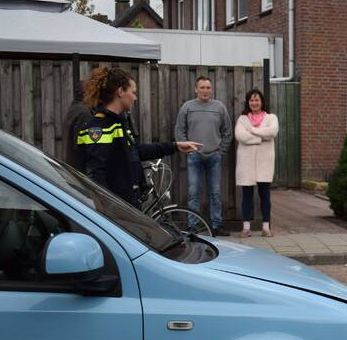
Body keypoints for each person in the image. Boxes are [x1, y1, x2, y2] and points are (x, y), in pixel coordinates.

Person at [77, 67, 201, 206]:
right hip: (116, 211)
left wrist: (175, 146)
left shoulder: (118, 122)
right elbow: (95, 173)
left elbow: (136, 151)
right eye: (133, 92)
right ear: (120, 91)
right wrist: (106, 210)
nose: (135, 98)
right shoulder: (99, 126)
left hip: (128, 205)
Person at [176, 76, 233, 235]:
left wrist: (220, 151)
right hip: (194, 157)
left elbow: (227, 132)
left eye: (208, 87)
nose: (205, 91)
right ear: (196, 89)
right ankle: (193, 226)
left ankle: (217, 225)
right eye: (202, 87)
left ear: (211, 89)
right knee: (193, 193)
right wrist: (188, 148)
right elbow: (179, 131)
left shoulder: (219, 107)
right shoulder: (187, 107)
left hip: (214, 156)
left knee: (215, 193)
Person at [234, 89, 279, 238]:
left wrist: (252, 130)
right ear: (248, 102)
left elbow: (272, 132)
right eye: (251, 100)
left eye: (257, 100)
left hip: (264, 162)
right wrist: (260, 137)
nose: (254, 103)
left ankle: (266, 227)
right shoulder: (242, 119)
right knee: (246, 196)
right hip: (246, 163)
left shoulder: (271, 117)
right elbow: (240, 135)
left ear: (262, 102)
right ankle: (246, 228)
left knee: (265, 195)